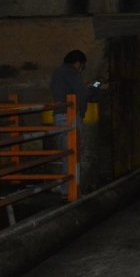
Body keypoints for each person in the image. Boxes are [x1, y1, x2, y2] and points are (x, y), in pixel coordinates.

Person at [49, 49, 101, 194]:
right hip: (70, 116)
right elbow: (83, 94)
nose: (81, 70)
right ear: (78, 63)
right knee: (74, 153)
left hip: (59, 115)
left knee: (67, 153)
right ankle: (70, 189)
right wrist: (96, 85)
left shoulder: (58, 72)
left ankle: (66, 187)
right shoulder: (72, 73)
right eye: (82, 67)